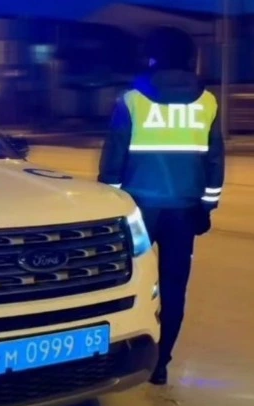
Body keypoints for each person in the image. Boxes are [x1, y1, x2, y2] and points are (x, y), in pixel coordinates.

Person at [97, 26, 225, 385]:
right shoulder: (208, 102)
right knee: (173, 286)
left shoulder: (131, 100)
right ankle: (161, 363)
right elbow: (215, 160)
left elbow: (114, 159)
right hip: (184, 211)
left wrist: (109, 206)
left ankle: (116, 356)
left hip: (136, 210)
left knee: (122, 283)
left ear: (152, 57)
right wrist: (207, 206)